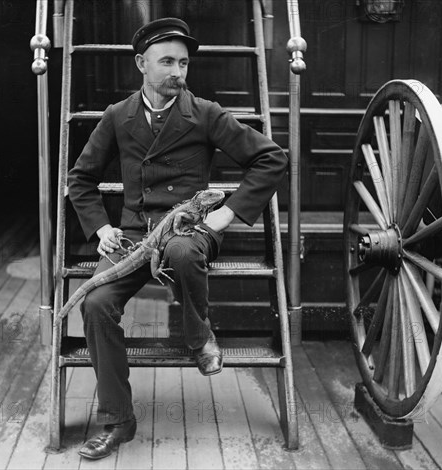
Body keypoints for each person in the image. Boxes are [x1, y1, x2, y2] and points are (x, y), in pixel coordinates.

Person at [68, 17, 288, 460]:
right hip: (133, 235)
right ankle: (117, 420)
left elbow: (271, 158)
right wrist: (103, 228)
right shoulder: (118, 116)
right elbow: (81, 179)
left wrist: (224, 216)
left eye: (183, 63)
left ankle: (198, 337)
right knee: (94, 304)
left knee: (183, 250)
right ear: (141, 65)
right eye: (166, 61)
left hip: (192, 229)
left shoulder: (205, 113)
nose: (178, 72)